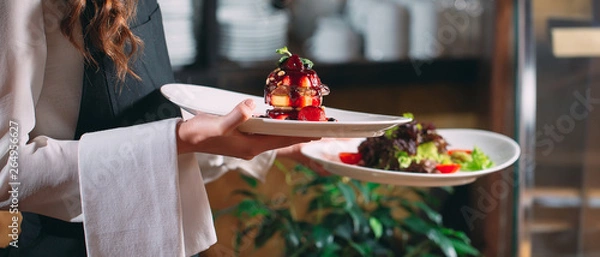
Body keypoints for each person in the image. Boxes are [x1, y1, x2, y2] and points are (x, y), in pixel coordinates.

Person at [0, 0, 319, 256]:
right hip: (62, 245)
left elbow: (148, 123)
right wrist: (179, 139)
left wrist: (282, 142)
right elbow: (7, 173)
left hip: (161, 235)